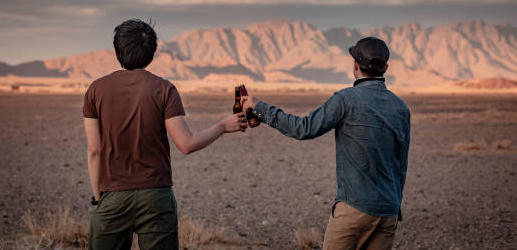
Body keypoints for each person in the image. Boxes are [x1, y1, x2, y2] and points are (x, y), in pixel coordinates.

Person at [83, 19, 247, 249]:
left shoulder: (95, 90)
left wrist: (98, 198)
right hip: (155, 197)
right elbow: (186, 144)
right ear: (152, 52)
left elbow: (94, 150)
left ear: (117, 50)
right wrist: (222, 126)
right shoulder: (163, 89)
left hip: (112, 196)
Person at [242, 37, 410, 250]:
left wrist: (260, 108)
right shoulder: (401, 108)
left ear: (355, 66)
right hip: (389, 210)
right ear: (386, 67)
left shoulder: (345, 100)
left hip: (355, 208)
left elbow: (303, 128)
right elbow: (401, 163)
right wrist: (395, 205)